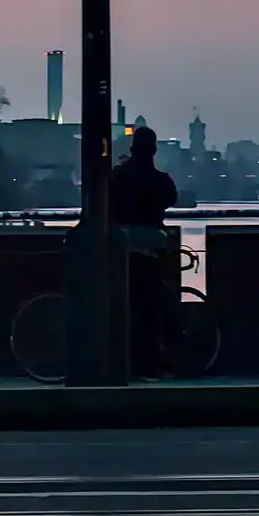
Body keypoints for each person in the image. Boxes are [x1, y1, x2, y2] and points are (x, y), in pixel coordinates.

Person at [110, 126, 178, 379]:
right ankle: (153, 360)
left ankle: (123, 359)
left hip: (123, 243)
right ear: (154, 150)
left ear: (132, 148)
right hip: (153, 241)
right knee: (152, 304)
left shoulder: (118, 175)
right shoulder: (160, 180)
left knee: (123, 301)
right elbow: (171, 199)